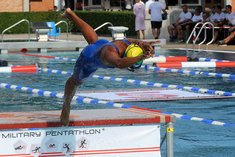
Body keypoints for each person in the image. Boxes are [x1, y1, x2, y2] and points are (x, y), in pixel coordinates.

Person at [60, 8, 155, 126]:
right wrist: (140, 57)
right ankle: (66, 105)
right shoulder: (110, 55)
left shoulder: (126, 44)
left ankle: (70, 14)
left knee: (93, 40)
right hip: (89, 58)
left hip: (101, 44)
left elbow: (133, 43)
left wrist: (142, 43)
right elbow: (120, 64)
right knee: (74, 81)